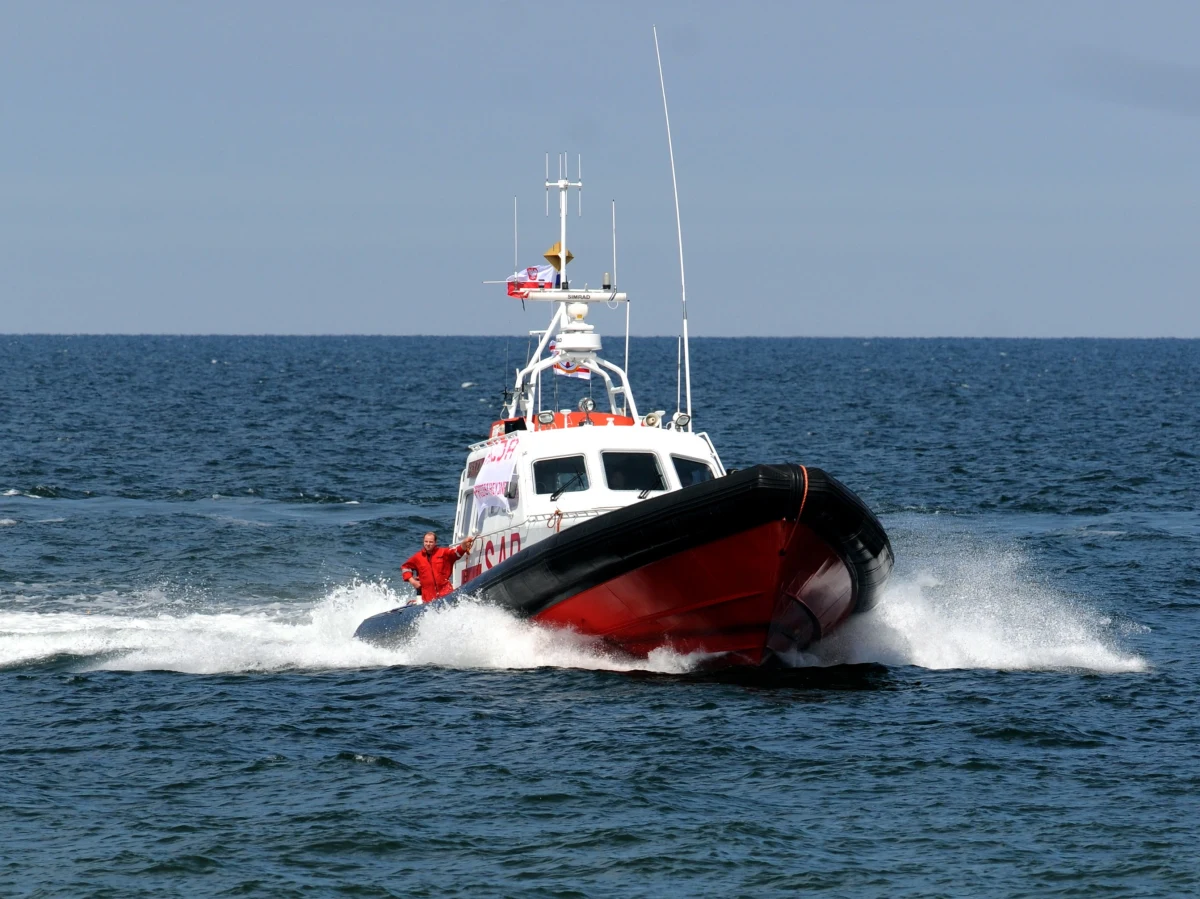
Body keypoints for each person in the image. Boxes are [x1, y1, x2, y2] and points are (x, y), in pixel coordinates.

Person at [401, 531, 476, 602]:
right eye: (426, 541)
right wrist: (413, 581)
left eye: (431, 542)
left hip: (446, 593)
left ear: (435, 543)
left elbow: (456, 553)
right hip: (428, 598)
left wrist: (463, 545)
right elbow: (405, 567)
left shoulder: (443, 552)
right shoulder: (417, 557)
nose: (428, 544)